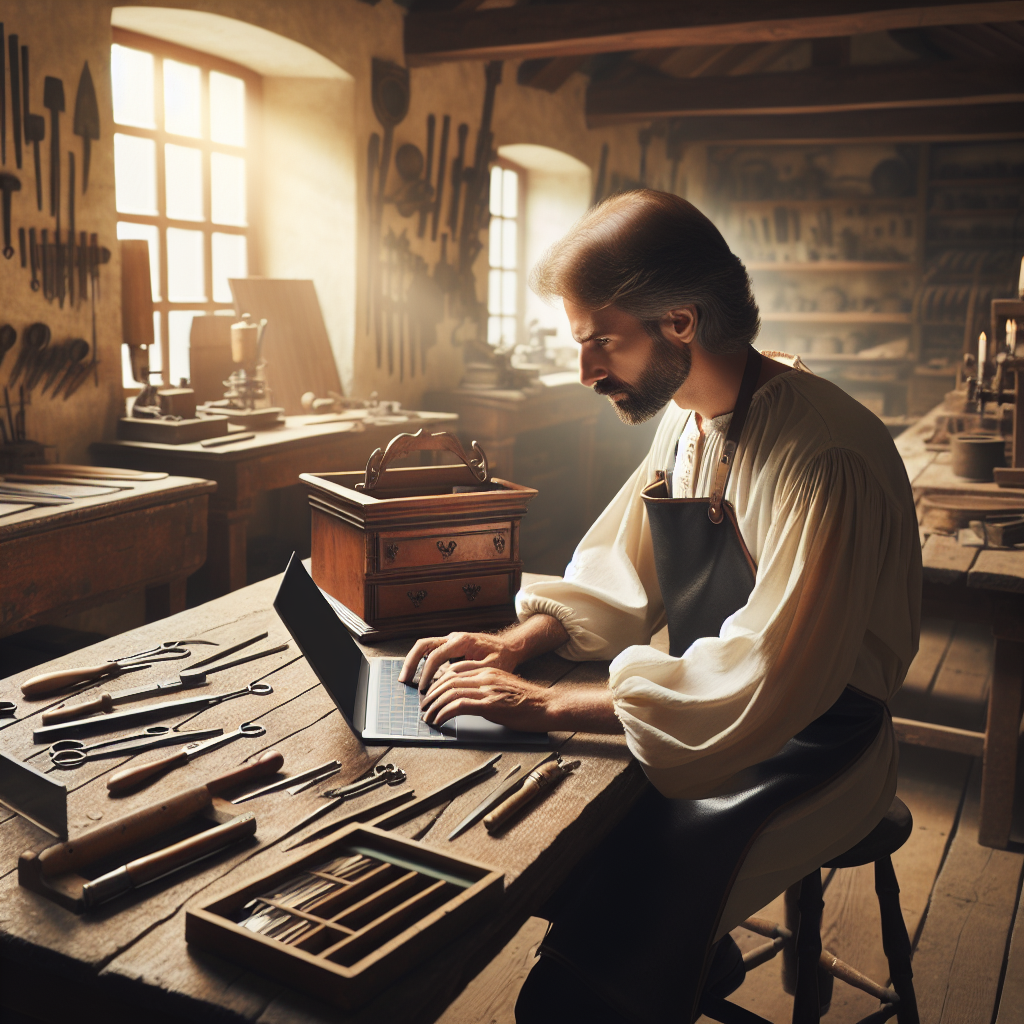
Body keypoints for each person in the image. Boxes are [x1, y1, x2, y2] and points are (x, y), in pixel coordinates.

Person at [400, 190, 921, 1023]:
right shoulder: (687, 421)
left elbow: (772, 675)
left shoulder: (824, 456)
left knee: (610, 925)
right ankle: (687, 963)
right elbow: (622, 572)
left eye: (600, 340)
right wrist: (515, 644)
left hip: (821, 738)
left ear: (680, 321)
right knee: (553, 833)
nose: (585, 370)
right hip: (714, 707)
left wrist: (544, 701)